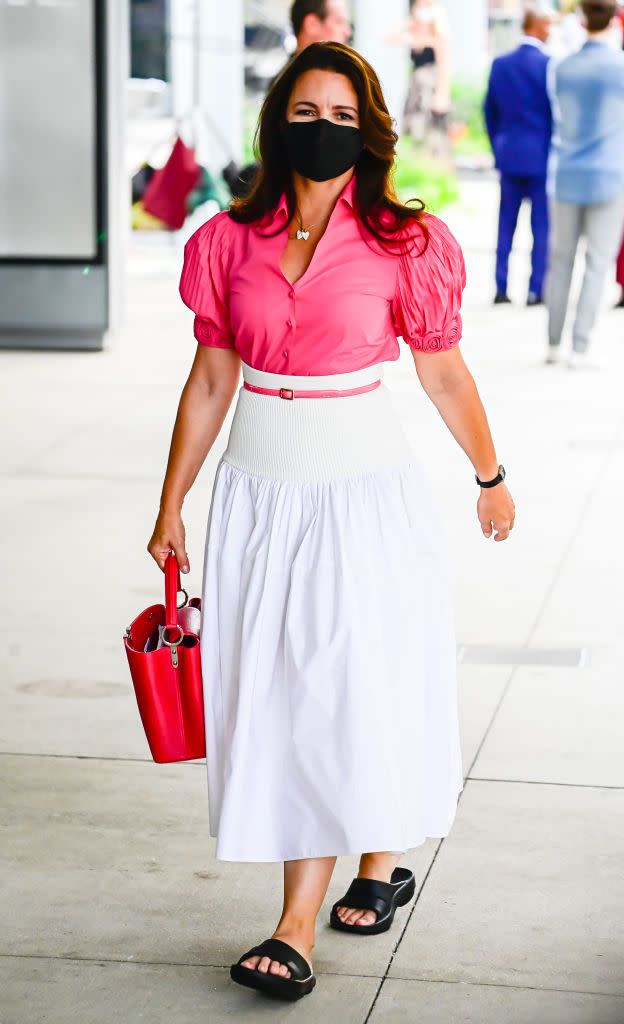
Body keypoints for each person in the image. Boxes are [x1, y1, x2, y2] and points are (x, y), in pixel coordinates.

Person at [148, 41, 515, 1003]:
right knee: (279, 691)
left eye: (345, 119)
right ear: (277, 123)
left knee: (350, 680)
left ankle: (299, 922)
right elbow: (213, 378)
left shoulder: (406, 242)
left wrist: (491, 474)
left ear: (372, 132)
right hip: (260, 495)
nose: (325, 132)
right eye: (307, 114)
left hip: (361, 494)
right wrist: (171, 502)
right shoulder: (228, 243)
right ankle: (360, 869)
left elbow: (441, 370)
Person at [547, 0, 624, 367]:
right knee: (597, 262)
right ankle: (579, 347)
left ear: (582, 19)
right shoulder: (619, 68)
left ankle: (553, 342)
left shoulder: (563, 67)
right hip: (610, 173)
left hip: (567, 172)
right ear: (614, 21)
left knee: (561, 259)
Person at [224, 0, 352, 199]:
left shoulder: (343, 79)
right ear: (311, 24)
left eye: (343, 115)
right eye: (339, 22)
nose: (346, 32)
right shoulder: (286, 84)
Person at [484, 10, 554, 306]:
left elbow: (489, 111)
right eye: (548, 25)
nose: (550, 31)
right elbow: (555, 114)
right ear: (536, 27)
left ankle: (501, 288)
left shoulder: (501, 64)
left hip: (509, 155)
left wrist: (497, 145)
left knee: (505, 225)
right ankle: (536, 290)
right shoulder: (549, 66)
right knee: (541, 227)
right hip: (541, 158)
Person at [398, 0, 452, 162]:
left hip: (431, 86)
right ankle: (419, 163)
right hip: (416, 87)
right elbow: (388, 37)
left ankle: (433, 166)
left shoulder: (438, 37)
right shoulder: (415, 36)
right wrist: (410, 23)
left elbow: (444, 65)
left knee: (432, 131)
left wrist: (442, 94)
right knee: (415, 129)